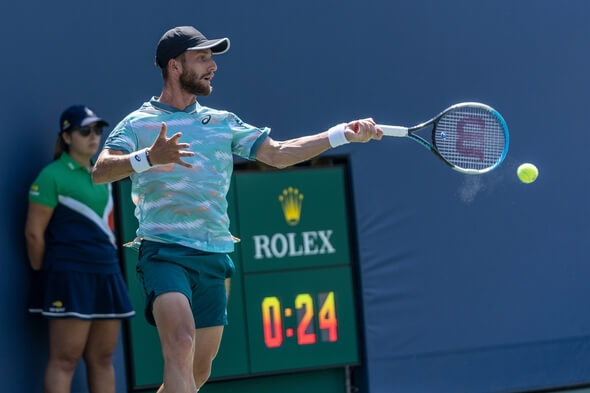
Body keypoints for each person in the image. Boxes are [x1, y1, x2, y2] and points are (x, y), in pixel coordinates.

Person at [92, 26, 382, 393]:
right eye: (203, 57)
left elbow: (277, 154)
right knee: (180, 344)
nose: (213, 66)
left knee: (197, 372)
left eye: (212, 57)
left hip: (214, 255)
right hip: (163, 252)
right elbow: (101, 171)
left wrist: (339, 133)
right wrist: (147, 157)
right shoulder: (138, 123)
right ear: (175, 67)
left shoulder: (224, 122)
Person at [25, 105, 135, 393]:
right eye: (85, 131)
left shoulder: (103, 174)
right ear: (67, 137)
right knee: (66, 358)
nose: (93, 137)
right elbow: (34, 234)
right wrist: (48, 274)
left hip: (107, 273)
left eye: (98, 130)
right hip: (69, 275)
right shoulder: (51, 176)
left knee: (102, 357)